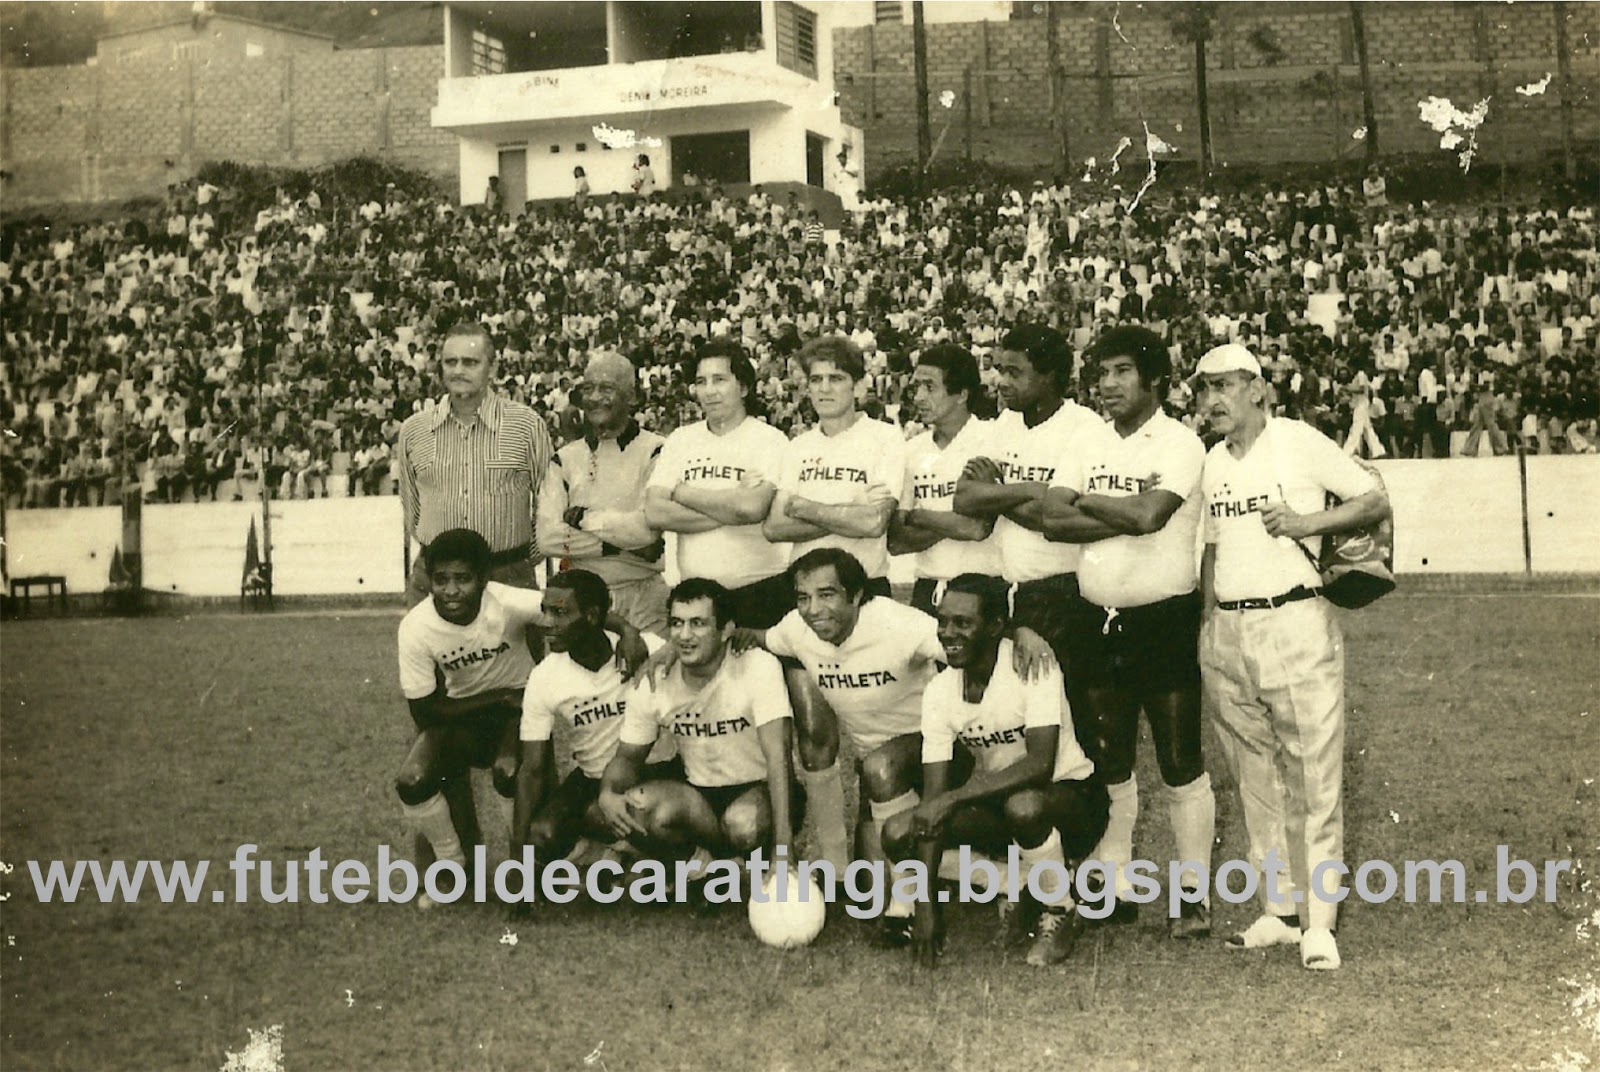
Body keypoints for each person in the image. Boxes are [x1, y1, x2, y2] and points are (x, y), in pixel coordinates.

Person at [1194, 343, 1391, 971]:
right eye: (1202, 389)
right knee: (1254, 776)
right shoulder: (1211, 463)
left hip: (1296, 619)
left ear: (1257, 388)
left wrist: (1306, 522)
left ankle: (1320, 924)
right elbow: (1212, 549)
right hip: (1229, 628)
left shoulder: (1298, 440)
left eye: (1222, 386)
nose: (1210, 401)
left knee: (1313, 775)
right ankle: (1278, 912)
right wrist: (1208, 622)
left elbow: (1373, 497)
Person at [1040, 325, 1215, 937]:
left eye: (1120, 372)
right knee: (1108, 755)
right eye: (1101, 373)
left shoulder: (1181, 443)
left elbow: (1151, 515)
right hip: (1097, 618)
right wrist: (1108, 510)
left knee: (1178, 758)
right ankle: (1113, 886)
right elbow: (1049, 519)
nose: (1106, 384)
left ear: (1155, 382)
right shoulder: (1090, 440)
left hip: (1163, 618)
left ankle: (1192, 894)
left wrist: (1087, 503)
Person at [883, 574, 1106, 968]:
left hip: (1070, 800)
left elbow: (1039, 765)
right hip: (997, 801)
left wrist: (954, 798)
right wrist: (926, 906)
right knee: (899, 832)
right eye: (943, 622)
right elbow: (933, 803)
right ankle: (1015, 882)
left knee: (1024, 807)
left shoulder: (1033, 665)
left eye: (963, 623)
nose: (948, 634)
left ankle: (1060, 909)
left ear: (996, 627)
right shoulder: (940, 690)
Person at [598, 578, 799, 908]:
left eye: (698, 623)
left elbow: (779, 759)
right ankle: (704, 864)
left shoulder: (758, 667)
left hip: (756, 790)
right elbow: (627, 759)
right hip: (699, 794)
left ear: (726, 630)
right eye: (677, 623)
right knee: (633, 806)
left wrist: (784, 846)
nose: (684, 635)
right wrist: (608, 793)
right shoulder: (654, 679)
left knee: (743, 825)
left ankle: (743, 862)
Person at [953, 324, 1104, 718]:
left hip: (1064, 592)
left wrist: (999, 493)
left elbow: (1056, 519)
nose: (1001, 382)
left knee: (1066, 719)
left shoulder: (1084, 428)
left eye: (1014, 372)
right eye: (1000, 370)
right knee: (1014, 717)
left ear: (1050, 375)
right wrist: (1032, 489)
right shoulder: (1004, 424)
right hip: (1007, 588)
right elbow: (966, 498)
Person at [394, 529, 543, 910]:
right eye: (441, 580)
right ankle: (452, 864)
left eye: (463, 579)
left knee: (509, 772)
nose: (452, 591)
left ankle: (523, 867)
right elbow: (424, 711)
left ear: (483, 578)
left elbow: (566, 606)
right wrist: (496, 697)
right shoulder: (415, 626)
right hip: (459, 717)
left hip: (515, 716)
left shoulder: (508, 602)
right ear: (428, 579)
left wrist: (623, 630)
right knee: (412, 780)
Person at [511, 569, 678, 892]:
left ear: (591, 616)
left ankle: (679, 862)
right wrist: (519, 859)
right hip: (591, 779)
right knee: (544, 833)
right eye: (545, 611)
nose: (547, 623)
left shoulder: (643, 647)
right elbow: (531, 770)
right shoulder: (545, 676)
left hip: (656, 772)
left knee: (643, 816)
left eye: (560, 613)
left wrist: (633, 634)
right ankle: (617, 853)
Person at [397, 320, 554, 604]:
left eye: (470, 362)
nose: (458, 370)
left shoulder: (526, 426)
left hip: (508, 575)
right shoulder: (414, 430)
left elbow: (547, 505)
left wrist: (516, 562)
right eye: (451, 362)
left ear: (491, 368)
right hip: (437, 578)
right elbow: (413, 510)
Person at [644, 339, 791, 628]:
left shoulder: (770, 440)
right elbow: (655, 512)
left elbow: (751, 508)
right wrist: (730, 505)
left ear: (744, 387)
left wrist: (682, 492)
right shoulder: (680, 440)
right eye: (701, 381)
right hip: (696, 598)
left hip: (759, 592)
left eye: (720, 379)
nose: (709, 391)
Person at [537, 351, 669, 635]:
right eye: (588, 388)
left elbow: (647, 533)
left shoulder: (658, 451)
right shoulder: (565, 459)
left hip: (643, 597)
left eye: (606, 388)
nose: (595, 398)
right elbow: (548, 539)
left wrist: (585, 519)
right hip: (582, 600)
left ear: (631, 396)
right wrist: (619, 546)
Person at [764, 334, 906, 597]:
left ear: (859, 387)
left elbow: (873, 523)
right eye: (816, 380)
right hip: (804, 589)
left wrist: (803, 508)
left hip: (864, 587)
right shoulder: (799, 445)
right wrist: (853, 508)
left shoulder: (886, 438)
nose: (824, 388)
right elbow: (774, 527)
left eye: (836, 378)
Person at [888, 344, 1002, 616]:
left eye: (930, 387)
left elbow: (978, 529)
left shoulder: (992, 440)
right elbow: (896, 541)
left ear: (962, 394)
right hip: (926, 589)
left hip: (982, 587)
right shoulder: (911, 450)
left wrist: (919, 516)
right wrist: (957, 520)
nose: (919, 397)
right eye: (917, 387)